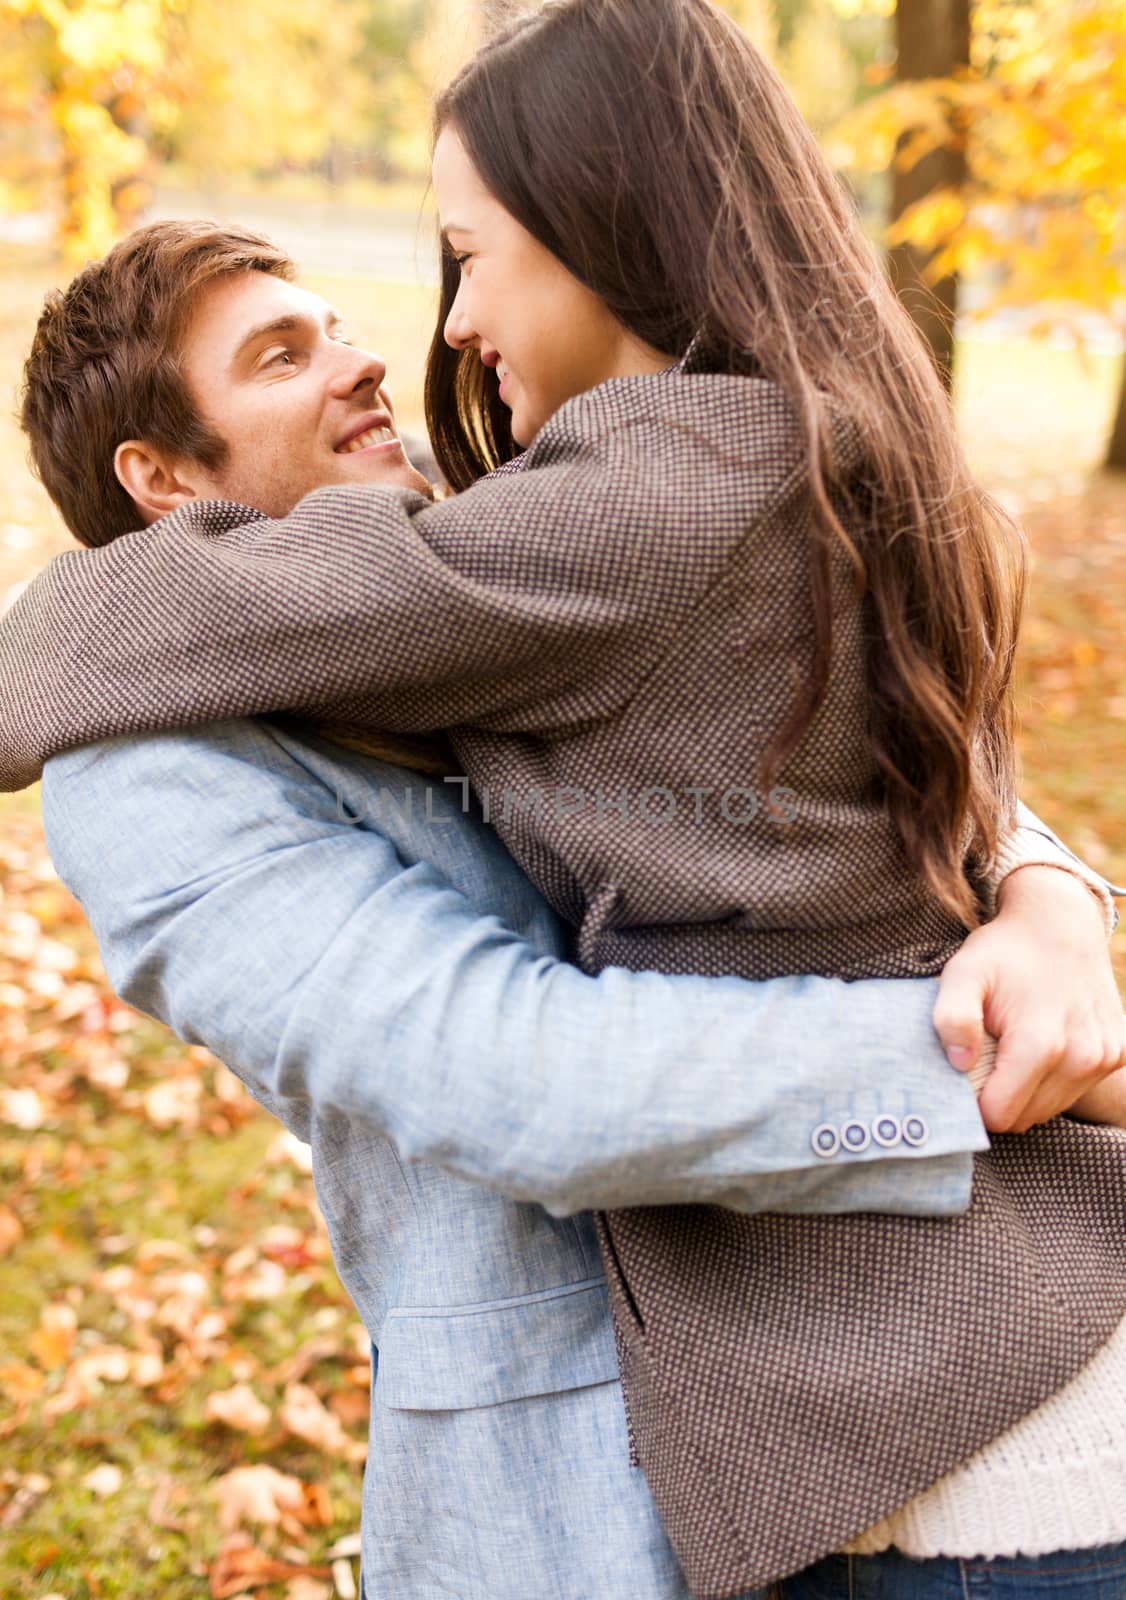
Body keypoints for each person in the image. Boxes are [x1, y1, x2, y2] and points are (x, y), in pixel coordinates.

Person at [4, 196, 1125, 1600]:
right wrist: (994, 1062)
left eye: (341, 326)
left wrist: (1043, 898)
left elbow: (855, 728)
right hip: (578, 1486)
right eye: (285, 356)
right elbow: (511, 1073)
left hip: (896, 1383)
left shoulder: (485, 557)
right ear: (163, 481)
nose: (363, 360)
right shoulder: (150, 778)